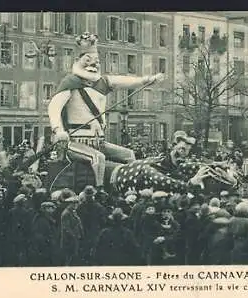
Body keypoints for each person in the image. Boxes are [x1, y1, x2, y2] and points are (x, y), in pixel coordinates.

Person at [47, 32, 165, 187]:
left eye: (96, 61)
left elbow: (126, 81)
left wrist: (147, 80)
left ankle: (133, 184)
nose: (93, 64)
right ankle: (99, 190)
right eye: (87, 60)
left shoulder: (103, 82)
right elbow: (54, 106)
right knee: (98, 158)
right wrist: (58, 129)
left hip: (99, 140)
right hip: (75, 142)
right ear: (77, 61)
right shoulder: (70, 82)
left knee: (129, 154)